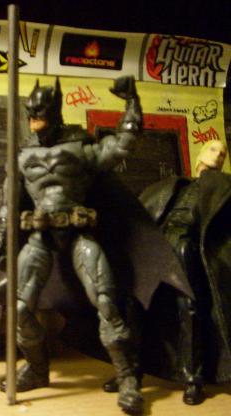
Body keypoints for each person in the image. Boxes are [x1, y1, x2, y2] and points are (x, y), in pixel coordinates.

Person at [0, 76, 144, 414]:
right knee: (20, 309)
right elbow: (9, 203)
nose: (35, 117)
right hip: (40, 237)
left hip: (78, 235)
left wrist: (132, 101)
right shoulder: (21, 155)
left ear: (55, 111)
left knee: (106, 302)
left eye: (41, 111)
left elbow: (124, 143)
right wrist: (1, 240)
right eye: (31, 112)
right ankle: (38, 369)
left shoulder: (81, 149)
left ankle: (127, 377)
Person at [103, 140, 231, 404]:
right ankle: (130, 373)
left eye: (223, 153)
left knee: (189, 309)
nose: (218, 155)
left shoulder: (224, 187)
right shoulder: (169, 186)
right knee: (135, 304)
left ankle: (193, 378)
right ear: (199, 154)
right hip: (157, 245)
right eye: (212, 149)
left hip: (186, 246)